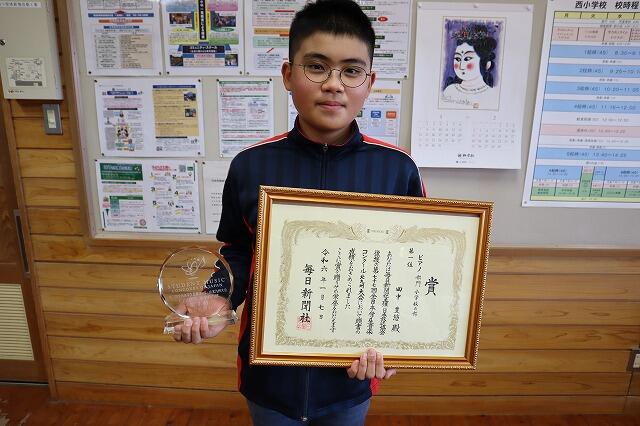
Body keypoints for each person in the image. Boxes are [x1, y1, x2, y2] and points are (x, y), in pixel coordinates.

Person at [173, 0, 425, 424]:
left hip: (351, 377)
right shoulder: (251, 165)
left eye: (351, 71)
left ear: (369, 83)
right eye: (317, 67)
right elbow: (238, 250)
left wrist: (402, 344)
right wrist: (218, 298)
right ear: (289, 75)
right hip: (269, 377)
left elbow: (411, 268)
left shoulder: (397, 170)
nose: (334, 84)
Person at [441, 23, 499, 110]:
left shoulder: (492, 94)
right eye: (457, 59)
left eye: (467, 59)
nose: (461, 66)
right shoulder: (449, 91)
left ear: (487, 64)